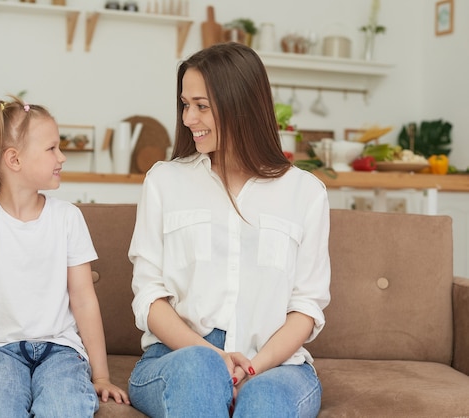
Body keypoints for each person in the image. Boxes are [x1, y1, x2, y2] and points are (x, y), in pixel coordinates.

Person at [127, 42, 331, 417]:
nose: (188, 118)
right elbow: (149, 296)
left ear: (242, 105)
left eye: (201, 106)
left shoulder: (305, 193)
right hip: (177, 356)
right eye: (185, 104)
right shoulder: (164, 181)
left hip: (275, 365)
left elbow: (306, 306)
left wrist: (253, 368)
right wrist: (214, 358)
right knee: (199, 370)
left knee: (265, 400)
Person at [0, 96, 129, 417]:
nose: (62, 157)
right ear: (14, 159)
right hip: (0, 353)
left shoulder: (68, 217)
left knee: (64, 407)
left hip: (62, 352)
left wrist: (100, 376)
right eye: (52, 148)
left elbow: (84, 301)